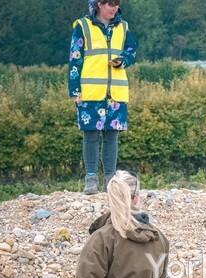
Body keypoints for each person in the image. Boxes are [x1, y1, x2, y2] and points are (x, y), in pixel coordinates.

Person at [69, 0, 137, 195]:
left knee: (111, 137)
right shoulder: (82, 26)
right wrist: (74, 90)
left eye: (117, 4)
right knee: (90, 136)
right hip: (90, 92)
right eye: (111, 4)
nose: (115, 8)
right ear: (99, 4)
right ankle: (90, 179)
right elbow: (75, 58)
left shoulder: (123, 27)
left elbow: (131, 51)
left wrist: (123, 61)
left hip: (116, 92)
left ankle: (110, 180)